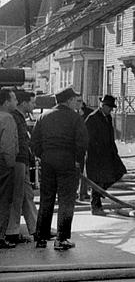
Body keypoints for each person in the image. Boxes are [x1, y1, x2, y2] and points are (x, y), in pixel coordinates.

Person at [31, 87, 89, 251]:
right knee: (66, 200)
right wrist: (77, 160)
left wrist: (42, 155)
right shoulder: (74, 117)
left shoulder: (43, 116)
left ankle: (41, 237)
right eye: (74, 100)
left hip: (48, 160)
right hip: (67, 161)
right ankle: (61, 239)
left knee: (46, 199)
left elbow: (35, 140)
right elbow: (82, 142)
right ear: (69, 100)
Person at [85, 95, 126, 216]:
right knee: (97, 181)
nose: (111, 110)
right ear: (103, 106)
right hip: (96, 156)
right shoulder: (92, 118)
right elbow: (88, 138)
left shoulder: (108, 117)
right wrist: (95, 151)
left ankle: (101, 193)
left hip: (108, 153)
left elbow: (110, 136)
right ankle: (96, 207)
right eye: (109, 107)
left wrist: (114, 152)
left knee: (119, 172)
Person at [6, 90, 37, 245]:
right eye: (32, 102)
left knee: (26, 195)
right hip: (18, 161)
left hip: (22, 160)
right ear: (24, 103)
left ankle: (36, 228)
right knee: (17, 197)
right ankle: (12, 231)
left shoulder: (19, 117)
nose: (34, 105)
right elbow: (14, 141)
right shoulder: (15, 118)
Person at [0, 88, 19, 250]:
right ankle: (0, 236)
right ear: (6, 102)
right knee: (4, 201)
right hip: (3, 164)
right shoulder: (8, 119)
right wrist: (11, 164)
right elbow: (8, 146)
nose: (16, 102)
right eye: (14, 99)